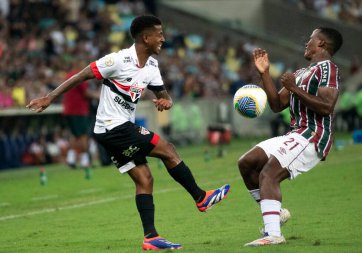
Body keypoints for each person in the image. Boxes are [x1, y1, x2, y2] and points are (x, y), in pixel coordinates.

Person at [26, 15, 230, 250]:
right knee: (168, 150)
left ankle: (150, 237)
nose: (163, 38)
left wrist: (167, 101)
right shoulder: (117, 60)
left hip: (114, 130)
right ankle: (200, 197)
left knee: (145, 179)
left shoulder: (152, 66)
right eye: (159, 34)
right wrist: (49, 98)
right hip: (113, 127)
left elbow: (163, 95)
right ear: (146, 37)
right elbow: (81, 75)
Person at [238, 27, 343, 246]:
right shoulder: (302, 72)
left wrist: (295, 89)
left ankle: (273, 235)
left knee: (268, 174)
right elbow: (276, 105)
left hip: (313, 135)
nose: (307, 43)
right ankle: (276, 215)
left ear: (322, 44)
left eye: (311, 39)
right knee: (247, 163)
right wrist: (264, 73)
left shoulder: (328, 69)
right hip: (295, 133)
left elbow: (326, 107)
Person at [63, 59, 99, 179]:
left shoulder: (68, 75)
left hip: (68, 110)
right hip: (78, 110)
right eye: (84, 65)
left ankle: (71, 159)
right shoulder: (78, 76)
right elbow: (86, 93)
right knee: (83, 135)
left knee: (75, 135)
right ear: (77, 64)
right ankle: (85, 161)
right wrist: (99, 95)